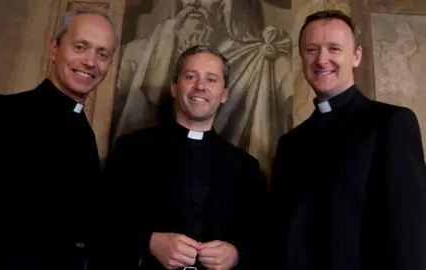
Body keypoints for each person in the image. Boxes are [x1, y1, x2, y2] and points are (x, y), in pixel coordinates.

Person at [0, 7, 118, 270]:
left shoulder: (86, 135)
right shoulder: (4, 113)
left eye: (102, 54)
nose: (90, 62)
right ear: (53, 49)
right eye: (80, 47)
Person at [270, 9, 426, 270]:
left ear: (356, 56)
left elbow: (409, 233)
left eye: (334, 49)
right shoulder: (290, 143)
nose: (322, 59)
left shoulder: (390, 124)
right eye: (311, 49)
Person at [102, 45, 268, 270]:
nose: (200, 86)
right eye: (191, 76)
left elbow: (263, 240)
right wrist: (149, 242)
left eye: (211, 80)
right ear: (174, 87)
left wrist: (236, 255)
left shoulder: (245, 167)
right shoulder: (132, 149)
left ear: (224, 95)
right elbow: (104, 219)